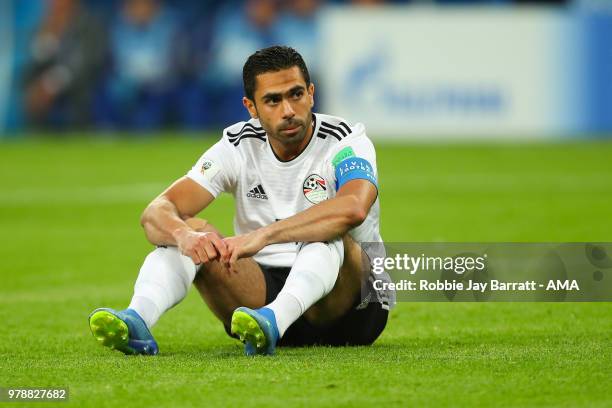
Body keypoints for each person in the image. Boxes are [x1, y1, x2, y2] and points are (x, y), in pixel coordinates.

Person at [88, 46, 393, 356]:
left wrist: (261, 236)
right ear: (251, 107)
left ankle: (275, 320)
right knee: (189, 227)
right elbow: (156, 212)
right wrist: (184, 236)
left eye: (296, 94)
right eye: (273, 100)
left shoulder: (345, 140)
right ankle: (138, 319)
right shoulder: (237, 144)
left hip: (351, 307)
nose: (288, 110)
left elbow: (353, 208)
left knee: (328, 229)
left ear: (311, 94)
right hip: (260, 298)